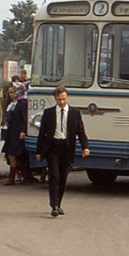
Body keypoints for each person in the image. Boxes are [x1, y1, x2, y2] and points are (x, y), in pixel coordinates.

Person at [35, 86, 90, 217]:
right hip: (53, 147)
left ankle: (58, 203)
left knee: (63, 178)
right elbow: (42, 134)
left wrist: (85, 147)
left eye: (64, 99)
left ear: (67, 97)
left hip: (67, 147)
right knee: (54, 176)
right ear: (55, 99)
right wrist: (39, 151)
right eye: (59, 99)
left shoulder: (74, 113)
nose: (61, 102)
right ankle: (53, 205)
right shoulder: (48, 113)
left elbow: (80, 131)